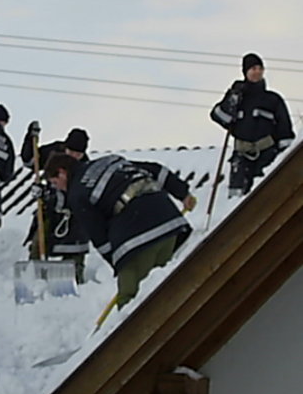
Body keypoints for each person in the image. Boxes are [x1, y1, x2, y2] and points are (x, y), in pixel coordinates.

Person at [44, 152, 196, 309]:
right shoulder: (110, 160)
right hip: (169, 222)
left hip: (136, 240)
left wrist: (118, 263)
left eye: (55, 183)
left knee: (132, 305)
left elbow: (98, 234)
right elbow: (156, 170)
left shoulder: (77, 194)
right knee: (169, 286)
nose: (58, 188)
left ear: (62, 173)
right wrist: (183, 193)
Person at [210, 53, 295, 197]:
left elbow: (284, 131)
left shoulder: (273, 100)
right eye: (252, 69)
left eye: (259, 68)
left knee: (266, 196)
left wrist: (284, 158)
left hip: (267, 156)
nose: (257, 72)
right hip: (241, 159)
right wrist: (231, 98)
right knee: (237, 202)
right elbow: (218, 116)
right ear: (245, 72)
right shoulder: (237, 98)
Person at [20, 123, 91, 283]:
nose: (74, 156)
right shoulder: (53, 152)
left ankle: (76, 282)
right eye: (71, 151)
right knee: (39, 243)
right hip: (49, 211)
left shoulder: (86, 168)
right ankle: (34, 281)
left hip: (73, 217)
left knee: (75, 250)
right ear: (65, 146)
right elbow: (30, 161)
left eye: (78, 154)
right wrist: (30, 138)